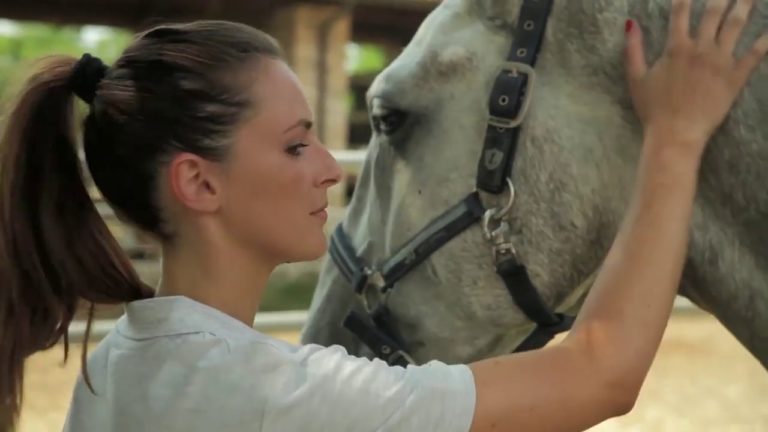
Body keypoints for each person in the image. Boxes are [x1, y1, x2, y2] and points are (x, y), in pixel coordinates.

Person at [0, 0, 765, 430]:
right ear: (200, 185)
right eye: (297, 145)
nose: (332, 166)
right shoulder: (269, 397)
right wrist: (675, 137)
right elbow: (600, 375)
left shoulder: (115, 371)